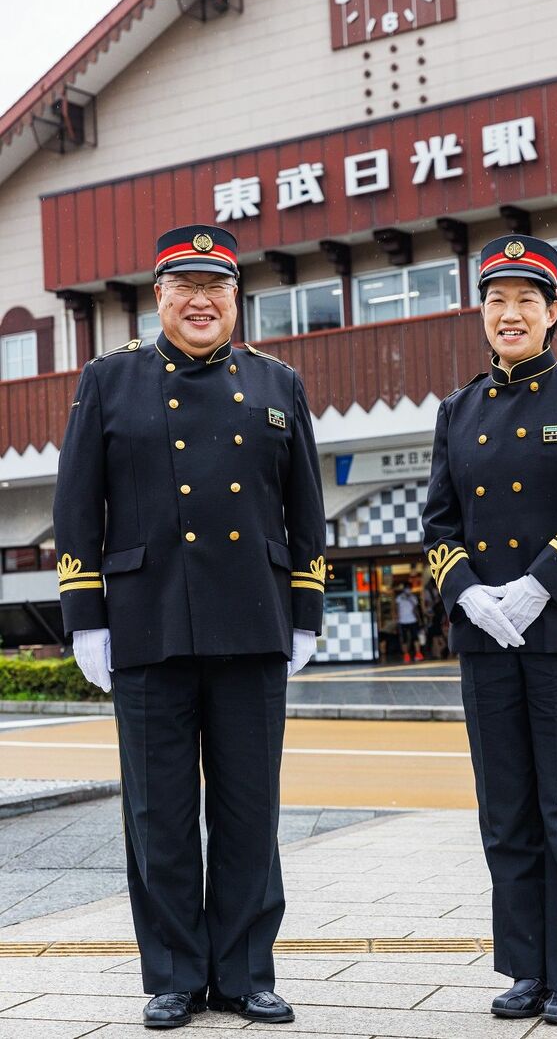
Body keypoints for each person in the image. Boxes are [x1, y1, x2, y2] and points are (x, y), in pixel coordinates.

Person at [53, 224, 326, 1030]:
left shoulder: (279, 383)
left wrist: (304, 608)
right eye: (185, 287)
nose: (201, 301)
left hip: (251, 616)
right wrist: (84, 617)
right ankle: (173, 973)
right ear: (159, 297)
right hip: (145, 620)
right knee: (159, 814)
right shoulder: (110, 381)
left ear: (235, 301)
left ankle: (244, 974)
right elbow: (76, 506)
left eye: (217, 288)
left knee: (249, 810)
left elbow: (305, 508)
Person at [422, 234, 557, 1026]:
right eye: (496, 301)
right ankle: (527, 969)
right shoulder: (459, 409)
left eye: (526, 301)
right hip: (488, 639)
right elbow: (438, 525)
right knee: (506, 810)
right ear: (482, 314)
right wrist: (470, 594)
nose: (510, 314)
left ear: (553, 313)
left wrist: (538, 587)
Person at [395, 583, 424, 662]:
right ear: (404, 589)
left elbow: (416, 610)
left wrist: (419, 620)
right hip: (402, 621)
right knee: (404, 639)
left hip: (412, 620)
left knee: (415, 638)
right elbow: (396, 609)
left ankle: (418, 654)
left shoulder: (413, 598)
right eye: (407, 588)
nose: (408, 590)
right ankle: (406, 655)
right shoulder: (399, 598)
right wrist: (397, 619)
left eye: (409, 588)